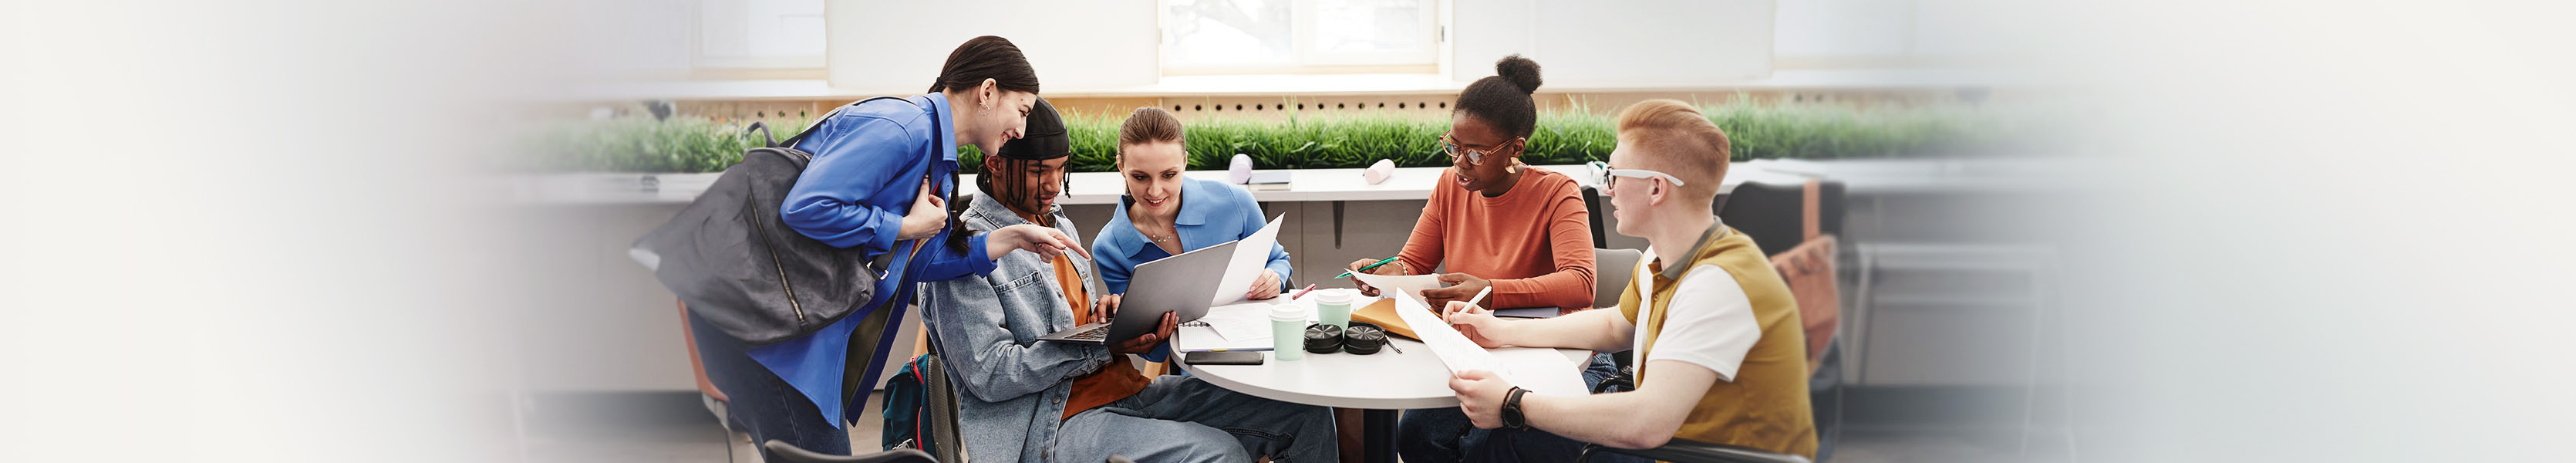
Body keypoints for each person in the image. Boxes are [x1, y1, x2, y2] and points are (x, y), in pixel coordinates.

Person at [685, 35, 1087, 458]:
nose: (1022, 129)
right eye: (1021, 111)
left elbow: (918, 262)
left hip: (794, 331)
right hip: (766, 329)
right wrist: (905, 225)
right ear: (987, 92)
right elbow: (806, 207)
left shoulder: (937, 155)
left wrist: (1012, 238)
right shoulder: (903, 129)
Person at [922, 99, 1339, 463]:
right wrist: (1102, 345)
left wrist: (1106, 317)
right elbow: (990, 376)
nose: (1053, 186)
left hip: (1124, 391)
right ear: (995, 163)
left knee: (1305, 414)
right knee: (1217, 454)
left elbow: (1068, 328)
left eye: (1060, 170)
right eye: (1039, 172)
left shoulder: (1056, 223)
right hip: (1051, 425)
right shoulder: (962, 254)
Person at [1435, 99, 1819, 461]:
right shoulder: (1664, 256)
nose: (1606, 187)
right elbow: (1613, 325)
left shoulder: (1717, 284)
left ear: (1656, 187)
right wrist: (1497, 330)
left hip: (1681, 451)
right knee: (1442, 431)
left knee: (1501, 443)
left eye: (1614, 173)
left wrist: (1512, 403)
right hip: (1670, 442)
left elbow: (1646, 423)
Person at [1342, 55, 1612, 463]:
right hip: (1475, 350)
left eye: (1476, 153)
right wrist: (1385, 276)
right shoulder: (1450, 185)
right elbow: (1413, 263)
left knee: (1486, 446)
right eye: (1453, 145)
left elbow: (1580, 282)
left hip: (1557, 352)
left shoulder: (1557, 192)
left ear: (1515, 149)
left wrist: (1489, 292)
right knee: (1416, 436)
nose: (1458, 161)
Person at [1089, 106, 1294, 363]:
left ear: (1185, 162)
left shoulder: (1236, 202)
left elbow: (1279, 260)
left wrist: (1275, 277)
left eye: (1169, 175)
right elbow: (1154, 353)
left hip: (1263, 348)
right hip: (1196, 369)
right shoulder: (1110, 248)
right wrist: (1147, 338)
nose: (1155, 191)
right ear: (1121, 166)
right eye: (1140, 177)